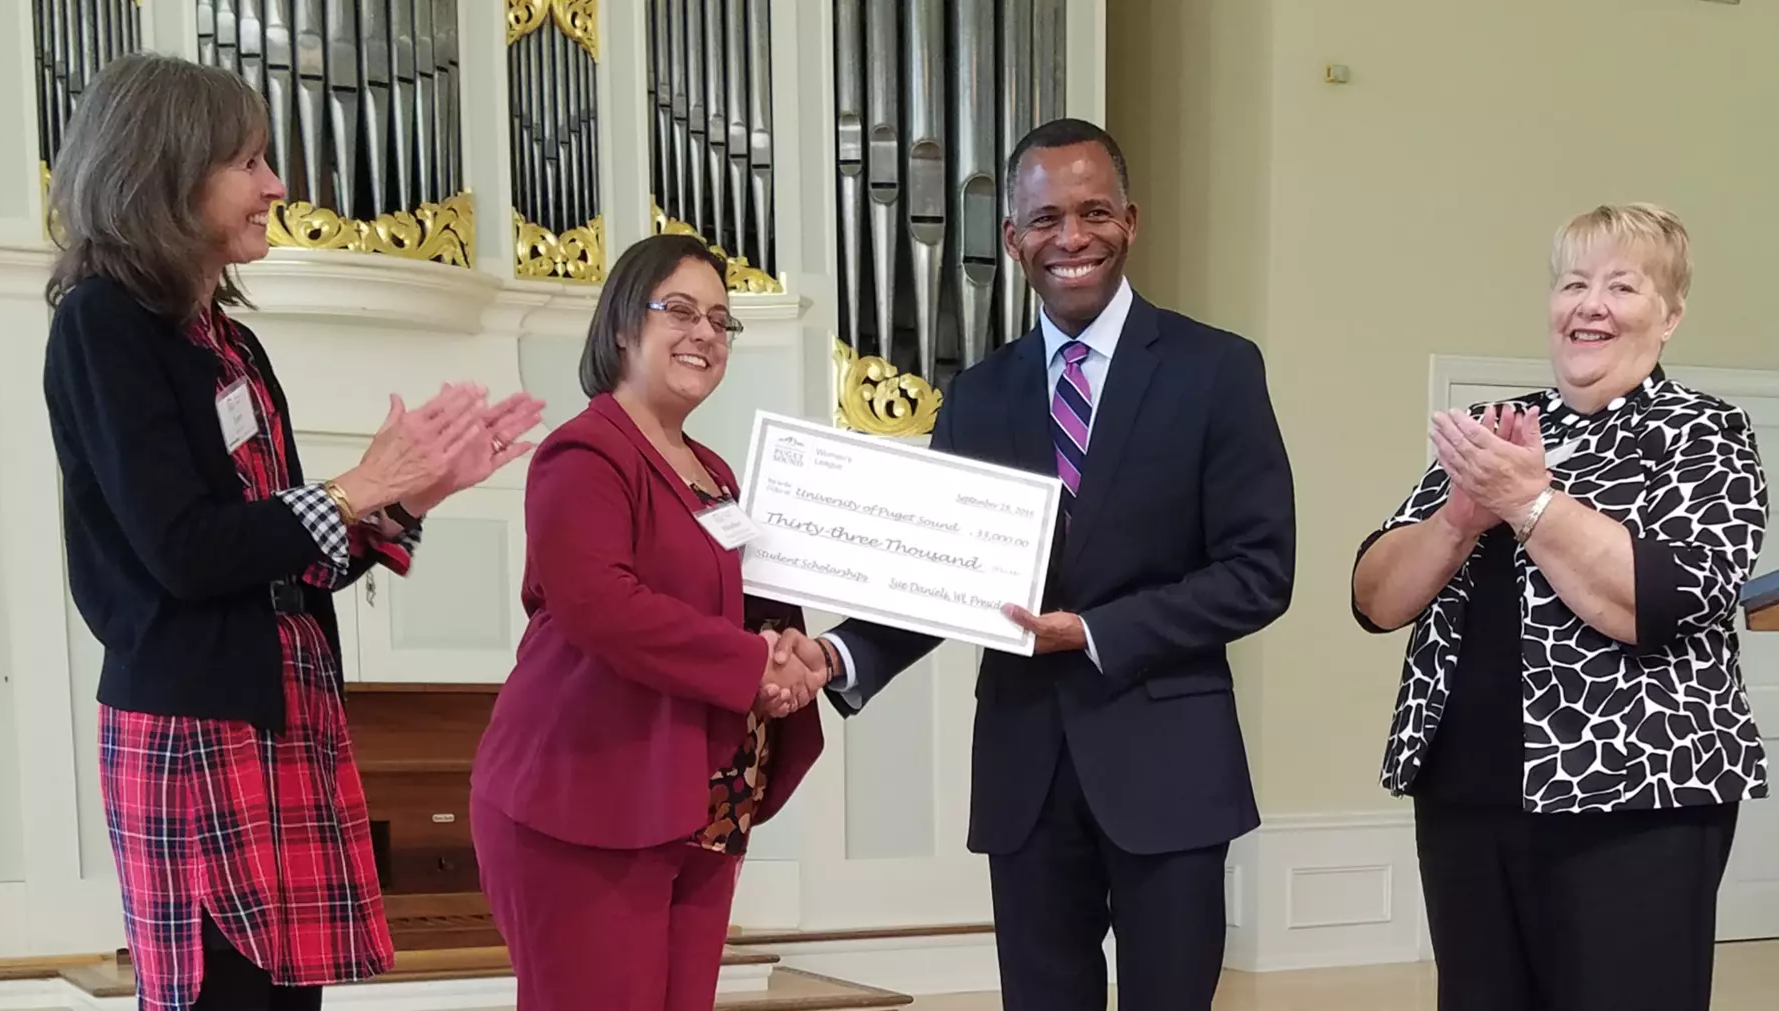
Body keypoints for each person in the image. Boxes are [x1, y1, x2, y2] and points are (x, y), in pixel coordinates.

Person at [40, 54, 543, 1011]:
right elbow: (186, 552)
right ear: (168, 173)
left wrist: (408, 498)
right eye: (252, 162)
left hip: (287, 718)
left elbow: (280, 559)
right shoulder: (104, 326)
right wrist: (359, 483)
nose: (278, 185)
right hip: (194, 728)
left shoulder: (232, 343)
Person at [775, 118, 1296, 1011]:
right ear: (1012, 238)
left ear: (1130, 220)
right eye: (1046, 218)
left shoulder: (1217, 370)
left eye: (1094, 211)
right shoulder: (978, 395)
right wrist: (837, 654)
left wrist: (1095, 632)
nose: (1072, 237)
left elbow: (1259, 570)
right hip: (1026, 770)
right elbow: (932, 574)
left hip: (1170, 767)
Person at [1351, 203, 1768, 1011]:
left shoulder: (1704, 432)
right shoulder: (1493, 429)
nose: (1591, 304)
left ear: (1670, 314)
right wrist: (1459, 518)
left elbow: (1660, 602)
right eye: (1574, 283)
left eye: (1622, 285)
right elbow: (1376, 597)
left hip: (1637, 800)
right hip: (1466, 793)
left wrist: (1528, 501)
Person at [468, 233, 827, 1011]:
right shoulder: (585, 452)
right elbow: (601, 603)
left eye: (720, 320)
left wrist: (792, 650)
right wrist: (749, 664)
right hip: (592, 797)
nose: (704, 332)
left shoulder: (714, 469)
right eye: (681, 311)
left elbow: (738, 602)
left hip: (704, 801)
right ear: (625, 326)